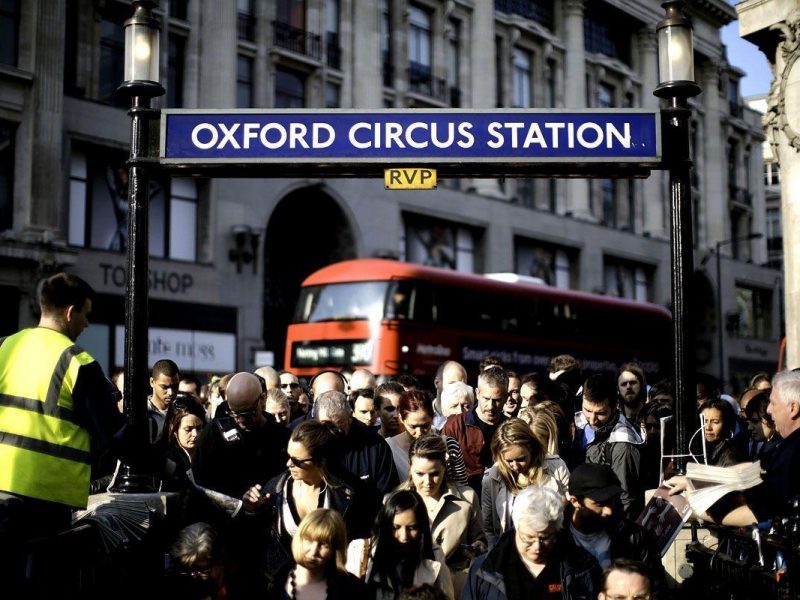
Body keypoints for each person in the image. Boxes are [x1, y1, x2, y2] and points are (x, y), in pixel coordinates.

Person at [0, 273, 132, 592]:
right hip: (45, 499)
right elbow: (115, 437)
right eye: (86, 313)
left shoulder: (6, 346)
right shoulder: (78, 362)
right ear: (71, 312)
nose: (87, 323)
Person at [669, 371, 800, 526]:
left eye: (773, 403)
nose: (769, 410)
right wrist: (693, 480)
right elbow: (753, 470)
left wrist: (693, 509)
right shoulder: (787, 446)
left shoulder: (794, 451)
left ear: (793, 408)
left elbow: (760, 513)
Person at [249, 420, 376, 567]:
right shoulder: (275, 489)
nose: (288, 464)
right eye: (288, 456)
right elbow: (258, 539)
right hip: (283, 582)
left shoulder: (348, 494)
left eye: (297, 461)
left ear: (321, 461)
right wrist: (251, 510)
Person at [463, 486, 601, 600]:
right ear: (516, 527)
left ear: (557, 530)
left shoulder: (583, 567)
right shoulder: (485, 569)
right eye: (528, 538)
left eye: (546, 538)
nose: (537, 547)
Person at [398, 434, 486, 594]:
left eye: (434, 474)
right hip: (410, 588)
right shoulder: (396, 501)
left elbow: (481, 540)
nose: (427, 482)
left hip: (453, 587)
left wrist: (478, 546)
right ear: (410, 466)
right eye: (420, 474)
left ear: (445, 468)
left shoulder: (466, 498)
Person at [566, 464, 666, 596]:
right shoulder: (556, 540)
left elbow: (657, 588)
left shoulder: (632, 536)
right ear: (575, 501)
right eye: (599, 504)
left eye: (611, 501)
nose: (609, 510)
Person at [192, 372, 290, 499]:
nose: (240, 420)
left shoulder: (281, 436)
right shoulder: (215, 432)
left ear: (263, 397)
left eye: (248, 413)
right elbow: (199, 480)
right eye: (234, 413)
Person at [482, 419, 569, 547]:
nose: (515, 466)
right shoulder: (492, 479)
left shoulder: (556, 467)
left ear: (532, 448)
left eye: (521, 459)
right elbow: (488, 528)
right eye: (509, 461)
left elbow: (570, 509)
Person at [571, 375, 644, 519]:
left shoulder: (623, 445)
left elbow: (625, 500)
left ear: (615, 405)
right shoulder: (575, 425)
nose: (592, 420)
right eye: (587, 410)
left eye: (601, 413)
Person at [365, 489, 455, 600]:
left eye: (411, 528)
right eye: (396, 528)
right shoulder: (366, 554)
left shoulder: (434, 556)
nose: (404, 537)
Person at [267, 508, 369, 600]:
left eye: (324, 545)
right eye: (308, 540)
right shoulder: (273, 581)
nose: (313, 551)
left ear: (335, 548)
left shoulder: (353, 591)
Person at [316, 390, 399, 495]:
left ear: (350, 416)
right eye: (326, 425)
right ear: (316, 420)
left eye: (339, 425)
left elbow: (388, 493)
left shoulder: (375, 445)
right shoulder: (311, 445)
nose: (332, 431)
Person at [442, 366, 508, 494]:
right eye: (486, 399)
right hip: (465, 497)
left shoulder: (511, 427)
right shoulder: (455, 426)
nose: (490, 406)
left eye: (497, 400)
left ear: (506, 397)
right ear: (477, 393)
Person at [386, 390, 468, 485]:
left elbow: (462, 486)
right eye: (413, 426)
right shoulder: (388, 448)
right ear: (401, 419)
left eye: (425, 426)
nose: (419, 432)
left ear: (432, 418)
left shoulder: (448, 445)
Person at [161, 395, 208, 490]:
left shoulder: (208, 455)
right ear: (174, 429)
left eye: (199, 428)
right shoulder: (168, 461)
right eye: (188, 429)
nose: (195, 434)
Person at [149, 359, 181, 442]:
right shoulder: (141, 412)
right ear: (152, 382)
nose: (170, 392)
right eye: (164, 387)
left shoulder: (183, 410)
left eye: (175, 386)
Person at [742, 391, 779, 461]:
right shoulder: (764, 446)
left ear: (771, 417)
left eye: (755, 421)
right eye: (749, 421)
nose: (749, 427)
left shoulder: (779, 449)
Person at [433, 361, 469, 429]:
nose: (458, 389)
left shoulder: (469, 419)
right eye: (452, 384)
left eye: (463, 385)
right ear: (437, 383)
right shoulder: (422, 413)